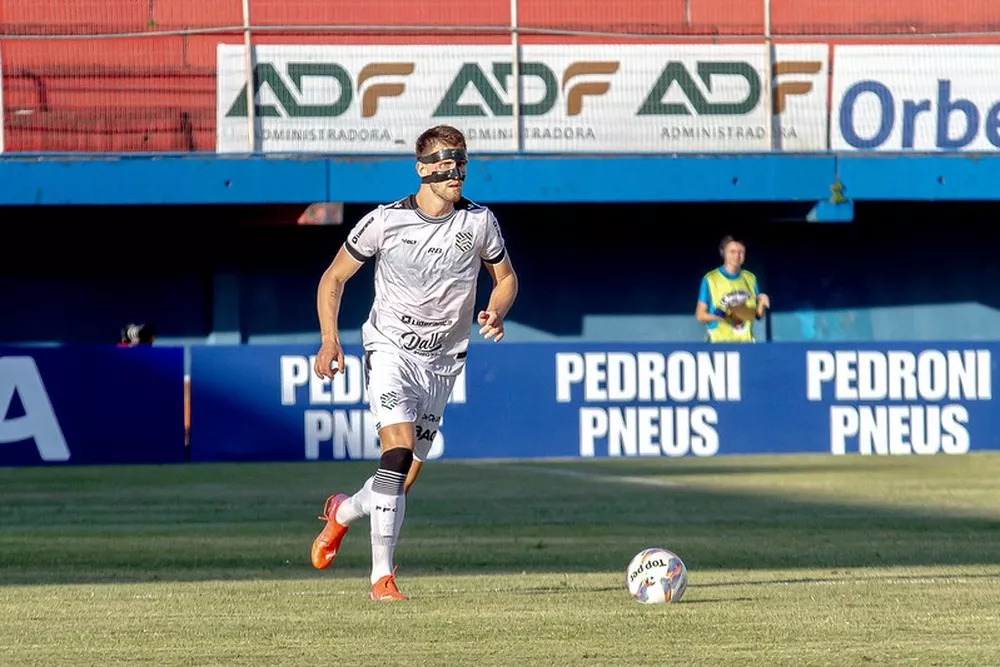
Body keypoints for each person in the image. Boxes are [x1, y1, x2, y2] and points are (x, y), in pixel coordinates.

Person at [309, 124, 519, 601]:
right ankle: (381, 578)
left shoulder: (480, 222)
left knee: (399, 480)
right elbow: (333, 279)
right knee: (397, 449)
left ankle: (342, 512)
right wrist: (329, 340)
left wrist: (497, 310)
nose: (457, 172)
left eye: (462, 163)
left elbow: (506, 278)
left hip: (443, 362)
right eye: (447, 163)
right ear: (424, 169)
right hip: (390, 350)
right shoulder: (384, 221)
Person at [695, 235, 770, 343]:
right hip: (719, 344)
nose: (737, 255)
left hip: (746, 343)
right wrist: (719, 317)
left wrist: (762, 303)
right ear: (723, 253)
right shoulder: (711, 279)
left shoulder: (750, 278)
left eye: (741, 252)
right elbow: (700, 315)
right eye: (732, 251)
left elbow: (758, 315)